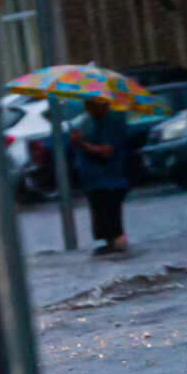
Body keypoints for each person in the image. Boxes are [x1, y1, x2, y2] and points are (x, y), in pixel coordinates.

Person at [69, 96, 130, 256]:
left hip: (109, 181)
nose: (88, 109)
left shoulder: (111, 124)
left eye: (90, 105)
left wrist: (81, 144)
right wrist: (79, 140)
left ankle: (118, 248)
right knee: (102, 223)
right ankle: (112, 248)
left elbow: (106, 151)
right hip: (94, 181)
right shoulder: (90, 123)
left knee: (112, 223)